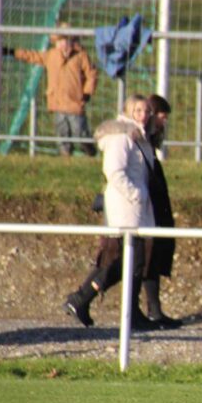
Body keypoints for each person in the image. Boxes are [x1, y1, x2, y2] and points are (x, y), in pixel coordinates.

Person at [63, 94, 158, 331]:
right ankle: (82, 298)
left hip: (135, 208)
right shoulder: (121, 136)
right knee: (128, 261)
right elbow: (114, 171)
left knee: (133, 262)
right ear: (127, 112)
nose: (143, 115)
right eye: (137, 111)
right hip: (126, 208)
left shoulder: (139, 136)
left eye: (146, 111)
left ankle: (114, 307)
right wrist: (137, 194)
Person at [6, 24, 98, 156]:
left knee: (80, 131)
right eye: (59, 41)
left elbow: (91, 74)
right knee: (62, 132)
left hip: (75, 103)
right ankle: (65, 155)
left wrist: (87, 92)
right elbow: (32, 56)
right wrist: (14, 52)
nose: (63, 45)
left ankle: (89, 151)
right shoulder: (51, 55)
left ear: (72, 41)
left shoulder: (81, 56)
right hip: (57, 103)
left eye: (66, 41)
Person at [141, 93, 182, 329]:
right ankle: (83, 296)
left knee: (151, 257)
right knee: (128, 260)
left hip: (154, 205)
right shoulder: (140, 142)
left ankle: (154, 310)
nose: (164, 123)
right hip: (145, 206)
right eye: (162, 117)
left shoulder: (149, 146)